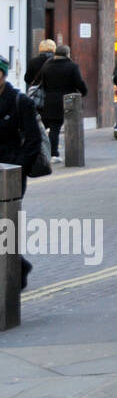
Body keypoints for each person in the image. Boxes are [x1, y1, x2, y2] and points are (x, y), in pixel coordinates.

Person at [0, 56, 41, 288]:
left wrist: (18, 167)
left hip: (11, 173)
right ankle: (19, 265)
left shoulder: (20, 101)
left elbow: (33, 139)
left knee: (5, 223)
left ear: (3, 74)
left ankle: (15, 267)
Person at [34, 46, 88, 163]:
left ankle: (47, 152)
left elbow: (44, 84)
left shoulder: (47, 67)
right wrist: (84, 92)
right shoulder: (72, 67)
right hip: (67, 101)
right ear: (67, 54)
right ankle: (54, 153)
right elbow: (79, 83)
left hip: (49, 100)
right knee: (58, 128)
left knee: (51, 127)